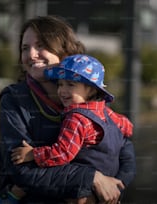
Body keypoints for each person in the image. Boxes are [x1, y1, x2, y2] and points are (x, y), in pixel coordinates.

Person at [0, 15, 136, 204]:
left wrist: (116, 184)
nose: (31, 54)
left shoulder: (88, 95)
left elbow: (123, 146)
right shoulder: (15, 99)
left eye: (41, 45)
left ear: (64, 51)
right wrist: (91, 178)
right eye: (24, 48)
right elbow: (20, 169)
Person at [11, 54, 134, 203]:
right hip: (107, 183)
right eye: (60, 84)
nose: (62, 91)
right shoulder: (107, 112)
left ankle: (9, 197)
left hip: (82, 186)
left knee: (29, 185)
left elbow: (62, 153)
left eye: (70, 85)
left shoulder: (76, 119)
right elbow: (127, 127)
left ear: (90, 89)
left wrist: (33, 154)